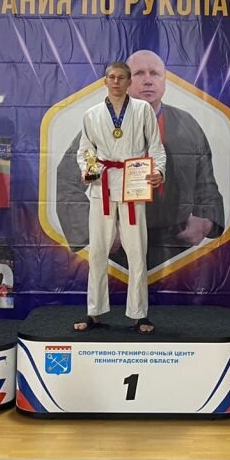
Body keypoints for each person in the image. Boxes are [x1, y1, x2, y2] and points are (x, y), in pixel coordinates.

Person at [56, 49, 225, 271]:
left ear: (165, 81)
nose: (148, 80)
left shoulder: (188, 124)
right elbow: (67, 180)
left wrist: (207, 220)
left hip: (175, 243)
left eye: (154, 73)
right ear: (127, 81)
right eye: (139, 74)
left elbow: (206, 181)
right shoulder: (102, 121)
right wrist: (97, 230)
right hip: (119, 239)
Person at [73, 61, 166, 333]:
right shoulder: (91, 114)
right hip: (101, 185)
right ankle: (94, 311)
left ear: (129, 82)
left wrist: (158, 171)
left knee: (137, 251)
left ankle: (139, 313)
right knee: (97, 251)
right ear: (105, 81)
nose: (116, 82)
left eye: (121, 78)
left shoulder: (143, 109)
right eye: (111, 77)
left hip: (134, 184)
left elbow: (155, 147)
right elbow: (85, 150)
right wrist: (87, 170)